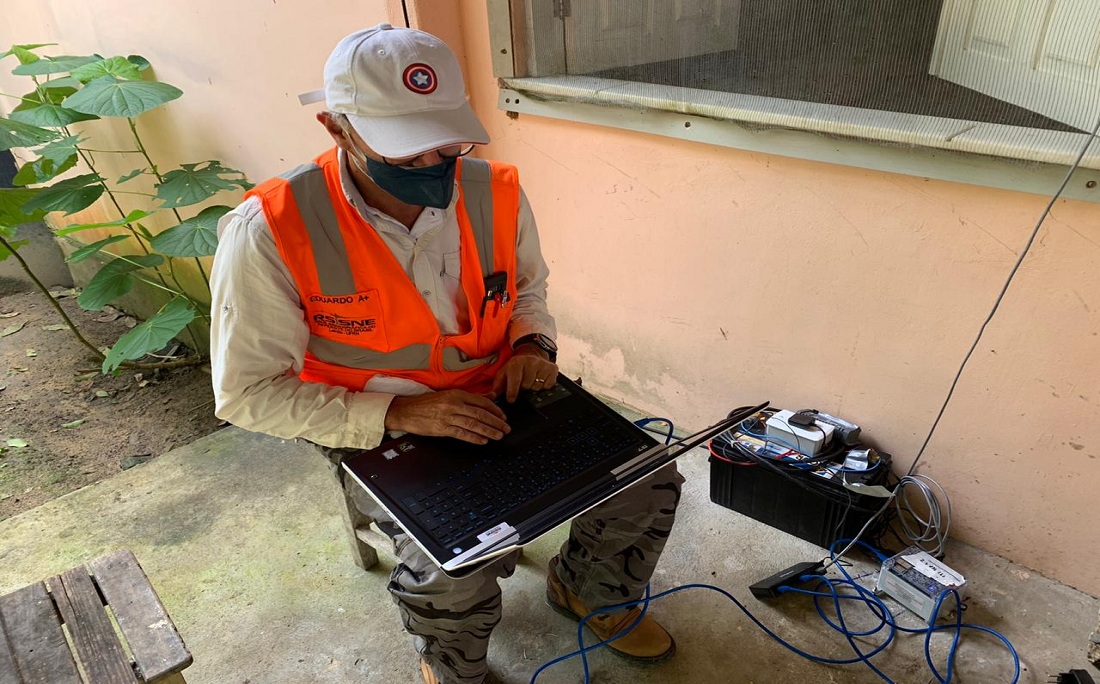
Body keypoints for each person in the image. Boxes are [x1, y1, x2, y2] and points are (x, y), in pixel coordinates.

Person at [209, 23, 685, 684]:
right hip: (369, 425)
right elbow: (247, 393)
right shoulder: (270, 232)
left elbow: (528, 291)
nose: (434, 168)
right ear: (335, 126)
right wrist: (403, 415)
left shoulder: (495, 191)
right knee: (456, 557)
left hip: (499, 391)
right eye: (406, 154)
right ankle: (451, 663)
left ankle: (591, 591)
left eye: (445, 145)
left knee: (647, 478)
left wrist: (530, 344)